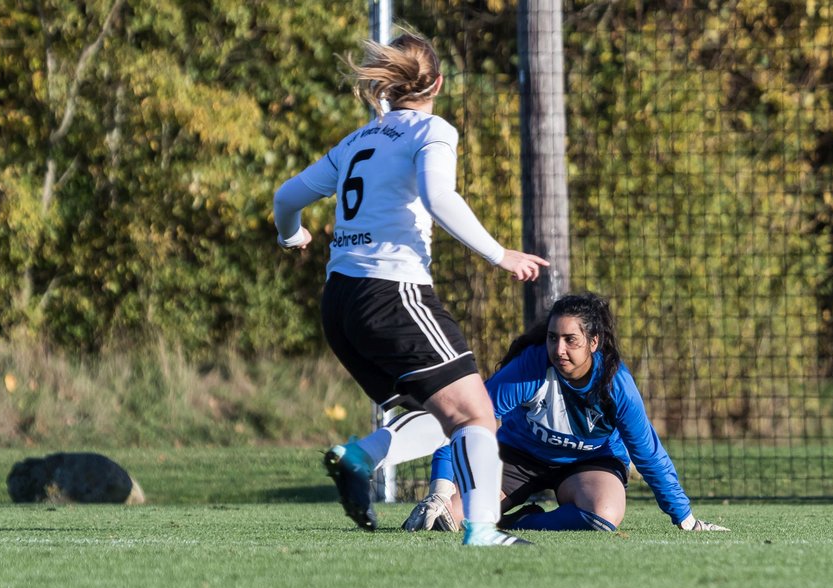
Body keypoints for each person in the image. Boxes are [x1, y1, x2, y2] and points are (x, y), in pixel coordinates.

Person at [273, 30, 548, 546]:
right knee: (476, 414)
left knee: (435, 412)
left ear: (387, 87)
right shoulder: (433, 131)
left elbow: (286, 195)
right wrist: (500, 254)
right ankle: (483, 529)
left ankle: (361, 456)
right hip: (392, 291)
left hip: (340, 303)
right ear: (437, 84)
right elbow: (439, 197)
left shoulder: (356, 141)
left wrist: (292, 235)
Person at [403, 293, 729, 534]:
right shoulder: (529, 368)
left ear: (594, 342)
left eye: (571, 340)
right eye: (553, 338)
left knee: (604, 515)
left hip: (588, 465)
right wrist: (441, 491)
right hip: (518, 458)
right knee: (448, 521)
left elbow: (648, 453)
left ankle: (523, 523)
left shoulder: (616, 385)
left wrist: (685, 519)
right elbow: (464, 422)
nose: (559, 350)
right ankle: (484, 513)